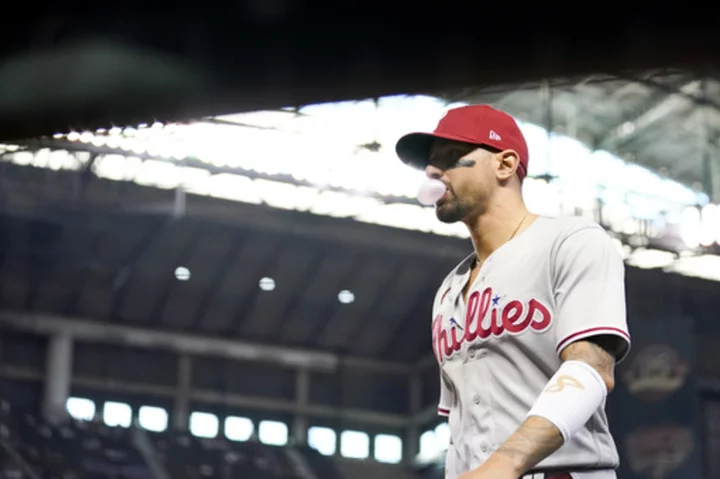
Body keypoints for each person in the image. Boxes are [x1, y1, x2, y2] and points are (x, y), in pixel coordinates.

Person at [395, 105, 630, 479]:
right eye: (430, 165)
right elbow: (460, 424)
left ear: (504, 164)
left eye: (452, 157)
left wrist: (504, 464)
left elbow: (591, 370)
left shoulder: (571, 241)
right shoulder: (449, 290)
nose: (432, 172)